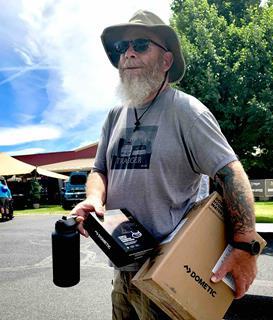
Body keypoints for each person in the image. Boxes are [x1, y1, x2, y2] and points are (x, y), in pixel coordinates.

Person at [72, 10, 259, 320]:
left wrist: (245, 247)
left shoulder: (187, 111)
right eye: (122, 48)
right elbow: (99, 170)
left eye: (141, 44)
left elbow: (231, 173)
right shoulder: (114, 116)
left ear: (166, 61)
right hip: (123, 270)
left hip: (170, 272)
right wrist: (94, 197)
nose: (128, 53)